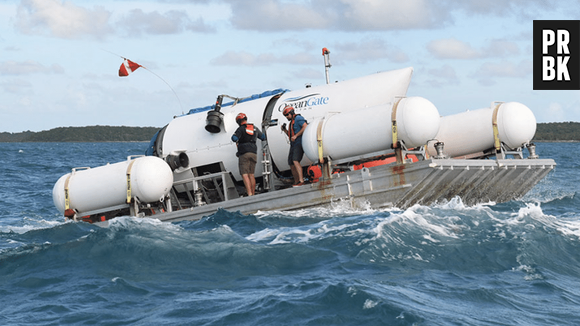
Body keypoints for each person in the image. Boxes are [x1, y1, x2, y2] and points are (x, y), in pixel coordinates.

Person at [231, 113, 266, 196]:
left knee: (244, 174)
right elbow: (263, 137)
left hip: (244, 154)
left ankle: (249, 194)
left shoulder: (240, 129)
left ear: (239, 121)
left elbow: (234, 138)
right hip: (253, 153)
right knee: (251, 174)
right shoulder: (254, 128)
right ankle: (253, 193)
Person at [281, 105, 308, 186]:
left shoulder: (298, 119)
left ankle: (301, 180)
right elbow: (291, 135)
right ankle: (296, 181)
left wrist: (296, 136)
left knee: (295, 161)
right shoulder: (291, 122)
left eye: (287, 115)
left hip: (298, 143)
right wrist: (285, 130)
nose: (286, 117)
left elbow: (305, 126)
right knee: (291, 163)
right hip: (293, 144)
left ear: (291, 113)